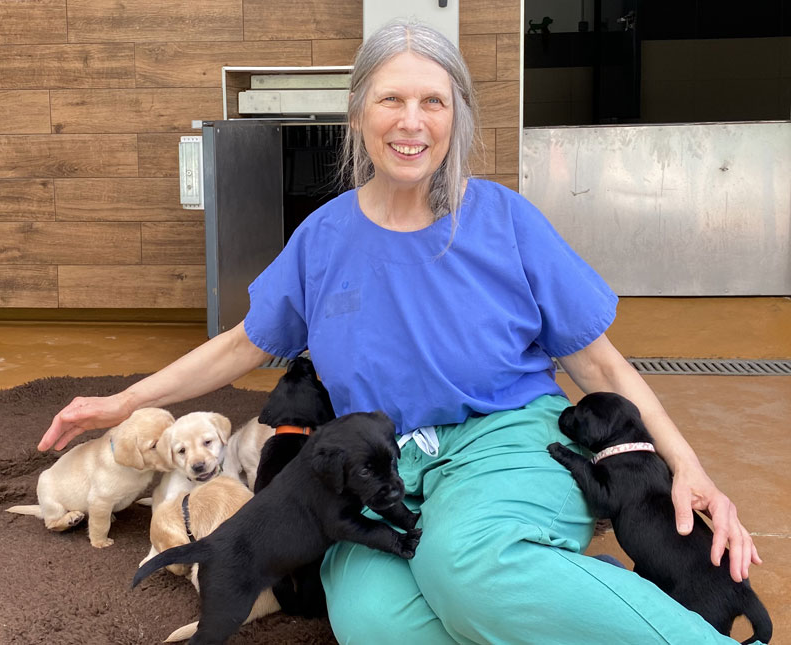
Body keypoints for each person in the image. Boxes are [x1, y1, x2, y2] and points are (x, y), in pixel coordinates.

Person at [39, 20, 762, 645]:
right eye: (390, 98)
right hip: (378, 469)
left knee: (463, 567)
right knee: (374, 622)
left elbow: (601, 367)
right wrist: (120, 403)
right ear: (359, 113)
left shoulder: (507, 221)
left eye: (432, 101)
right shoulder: (322, 239)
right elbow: (241, 345)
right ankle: (555, 590)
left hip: (509, 440)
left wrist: (687, 467)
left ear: (457, 117)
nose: (410, 121)